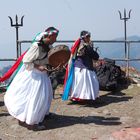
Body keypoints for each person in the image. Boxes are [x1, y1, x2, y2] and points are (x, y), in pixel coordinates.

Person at [4, 27, 59, 130]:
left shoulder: (49, 46)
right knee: (35, 99)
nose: (56, 39)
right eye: (55, 37)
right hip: (34, 76)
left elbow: (49, 59)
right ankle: (32, 122)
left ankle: (41, 116)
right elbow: (26, 61)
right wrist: (39, 67)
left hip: (43, 75)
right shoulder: (36, 46)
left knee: (44, 98)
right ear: (49, 36)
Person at [62, 30, 99, 102]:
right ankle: (83, 97)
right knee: (84, 84)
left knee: (79, 84)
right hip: (84, 67)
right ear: (84, 37)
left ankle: (78, 97)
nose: (89, 38)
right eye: (87, 36)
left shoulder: (78, 44)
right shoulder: (84, 45)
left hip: (79, 67)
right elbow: (93, 55)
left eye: (89, 36)